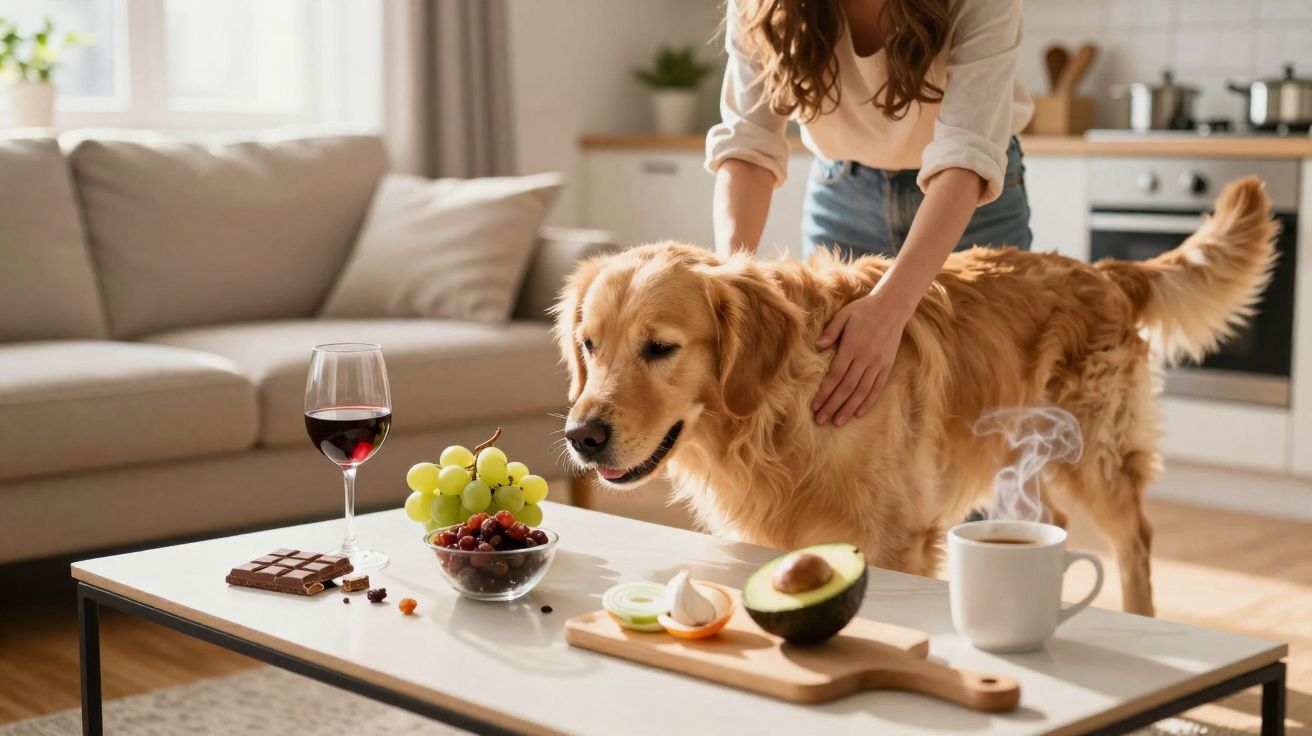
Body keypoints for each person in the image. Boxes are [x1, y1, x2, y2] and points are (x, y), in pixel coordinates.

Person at [706, 0, 1033, 428]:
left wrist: (890, 307)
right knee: (840, 412)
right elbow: (747, 146)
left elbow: (965, 156)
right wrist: (735, 283)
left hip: (969, 198)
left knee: (986, 416)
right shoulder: (761, 7)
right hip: (843, 192)